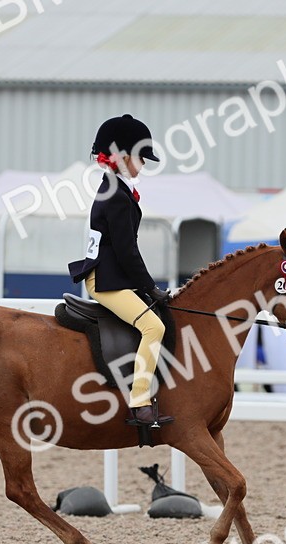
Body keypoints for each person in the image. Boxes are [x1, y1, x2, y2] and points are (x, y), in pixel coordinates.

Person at [68, 114, 174, 427]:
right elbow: (127, 251)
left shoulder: (115, 189)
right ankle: (140, 401)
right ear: (124, 157)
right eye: (142, 158)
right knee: (154, 328)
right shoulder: (116, 195)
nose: (143, 165)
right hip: (106, 280)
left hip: (112, 274)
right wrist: (150, 286)